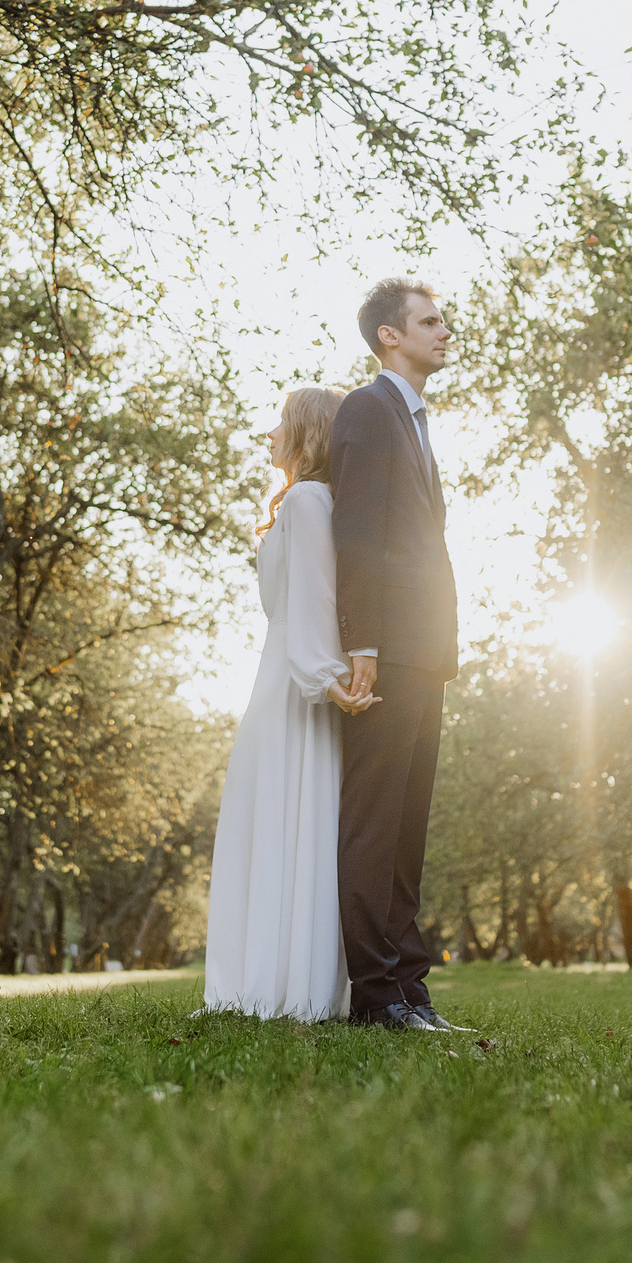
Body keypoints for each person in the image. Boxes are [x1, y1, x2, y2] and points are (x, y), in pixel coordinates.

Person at [201, 386, 379, 1021]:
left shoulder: (306, 499)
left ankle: (279, 988)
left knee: (280, 819)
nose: (269, 434)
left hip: (294, 682)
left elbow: (316, 597)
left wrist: (323, 675)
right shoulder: (309, 500)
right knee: (283, 821)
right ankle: (279, 982)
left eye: (280, 422)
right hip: (284, 674)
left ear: (305, 433)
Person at [329, 279, 469, 1033]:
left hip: (427, 651)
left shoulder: (414, 419)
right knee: (374, 823)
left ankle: (412, 991)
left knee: (407, 830)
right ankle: (376, 995)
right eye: (430, 321)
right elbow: (356, 531)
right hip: (386, 651)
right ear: (390, 335)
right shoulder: (367, 408)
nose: (445, 332)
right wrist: (363, 643)